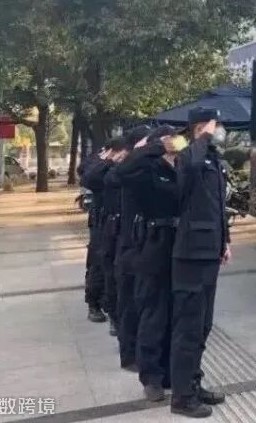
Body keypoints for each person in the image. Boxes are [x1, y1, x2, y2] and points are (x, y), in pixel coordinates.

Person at [170, 108, 230, 418]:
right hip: (191, 254)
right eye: (214, 126)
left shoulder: (212, 159)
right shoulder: (187, 157)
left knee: (203, 327)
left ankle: (194, 383)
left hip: (209, 252)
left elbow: (217, 207)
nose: (219, 131)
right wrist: (202, 139)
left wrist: (225, 241)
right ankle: (181, 397)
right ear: (199, 128)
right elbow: (189, 172)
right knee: (188, 329)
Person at [120, 125, 186, 402]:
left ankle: (173, 371)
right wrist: (154, 147)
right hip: (153, 243)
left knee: (179, 312)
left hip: (183, 244)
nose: (176, 142)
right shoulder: (146, 167)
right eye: (170, 138)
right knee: (154, 311)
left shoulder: (184, 165)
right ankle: (152, 376)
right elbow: (121, 172)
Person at [110, 125, 151, 368]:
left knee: (142, 301)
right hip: (128, 244)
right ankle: (128, 354)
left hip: (145, 243)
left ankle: (140, 350)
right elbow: (105, 176)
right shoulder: (126, 167)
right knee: (129, 303)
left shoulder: (144, 165)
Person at [79, 138, 127, 324]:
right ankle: (93, 303)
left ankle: (111, 304)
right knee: (97, 263)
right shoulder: (97, 163)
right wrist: (107, 160)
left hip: (117, 221)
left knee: (113, 266)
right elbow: (87, 176)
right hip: (100, 221)